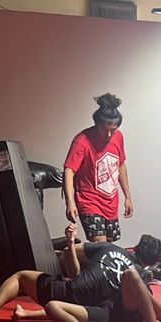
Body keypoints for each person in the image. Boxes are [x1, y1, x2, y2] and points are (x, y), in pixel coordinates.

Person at [0, 224, 161, 322]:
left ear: (135, 247)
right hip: (95, 305)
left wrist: (69, 242)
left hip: (74, 292)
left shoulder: (110, 247)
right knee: (85, 304)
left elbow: (75, 268)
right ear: (149, 263)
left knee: (21, 276)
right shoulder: (137, 276)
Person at [63, 93, 134, 243]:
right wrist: (70, 202)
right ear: (96, 124)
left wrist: (128, 197)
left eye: (113, 130)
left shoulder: (118, 137)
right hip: (89, 201)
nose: (109, 134)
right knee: (100, 245)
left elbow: (120, 164)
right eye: (104, 129)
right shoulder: (82, 141)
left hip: (110, 201)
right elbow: (69, 171)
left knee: (108, 247)